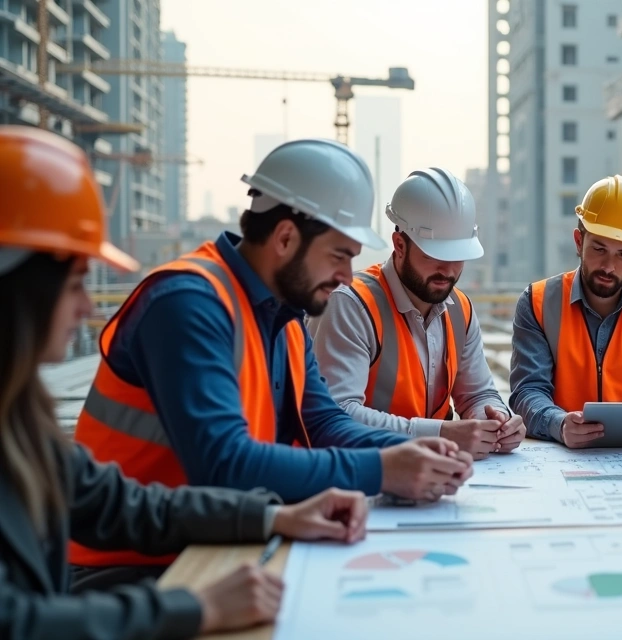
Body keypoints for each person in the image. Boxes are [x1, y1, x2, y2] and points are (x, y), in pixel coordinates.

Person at [0, 124, 374, 639]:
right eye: (75, 283)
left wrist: (271, 518)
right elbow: (15, 622)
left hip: (157, 560)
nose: (88, 306)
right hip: (119, 574)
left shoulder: (20, 415)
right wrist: (195, 608)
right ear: (20, 291)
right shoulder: (188, 301)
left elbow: (118, 503)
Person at [70, 139, 474, 588]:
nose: (346, 275)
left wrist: (409, 451)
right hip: (128, 565)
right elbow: (225, 465)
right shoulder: (187, 304)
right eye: (339, 255)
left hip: (219, 539)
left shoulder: (284, 318)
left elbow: (323, 424)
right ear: (285, 238)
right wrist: (382, 470)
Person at [309, 168, 525, 460]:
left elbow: (477, 394)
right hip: (363, 469)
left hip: (434, 469)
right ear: (400, 245)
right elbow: (337, 414)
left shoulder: (460, 309)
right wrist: (440, 433)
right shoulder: (351, 304)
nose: (448, 271)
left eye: (458, 256)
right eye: (434, 255)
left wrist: (496, 419)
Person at [510, 175, 622, 448]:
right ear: (578, 241)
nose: (609, 266)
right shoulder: (537, 302)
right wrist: (559, 424)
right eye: (599, 249)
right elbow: (528, 390)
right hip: (560, 456)